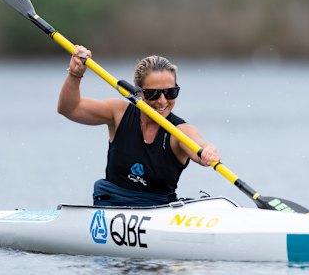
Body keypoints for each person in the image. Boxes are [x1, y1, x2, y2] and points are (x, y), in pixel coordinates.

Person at [57, 45, 221, 207]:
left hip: (158, 212)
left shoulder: (180, 131)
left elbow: (198, 146)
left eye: (170, 92)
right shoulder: (119, 113)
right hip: (110, 207)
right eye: (153, 94)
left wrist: (208, 151)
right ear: (138, 93)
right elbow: (69, 108)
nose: (162, 101)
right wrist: (75, 74)